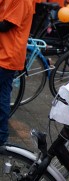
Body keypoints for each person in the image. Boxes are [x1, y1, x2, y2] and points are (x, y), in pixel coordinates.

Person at [0, 0, 33, 145]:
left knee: (2, 96)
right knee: (2, 96)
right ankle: (1, 136)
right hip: (5, 53)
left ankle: (1, 135)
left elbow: (5, 26)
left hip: (7, 55)